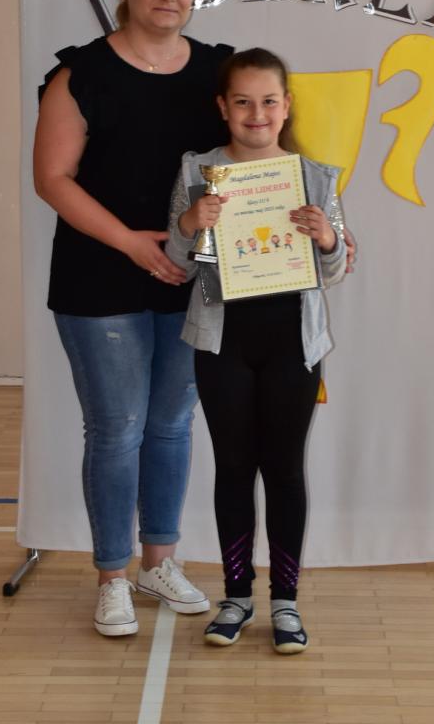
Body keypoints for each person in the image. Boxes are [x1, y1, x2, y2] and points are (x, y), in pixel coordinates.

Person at [33, 0, 233, 637]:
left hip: (191, 276)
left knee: (172, 424)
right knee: (117, 428)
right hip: (99, 277)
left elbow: (257, 155)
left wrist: (318, 222)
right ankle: (112, 577)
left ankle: (159, 563)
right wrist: (130, 243)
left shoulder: (218, 70)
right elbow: (52, 178)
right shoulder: (80, 74)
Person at [166, 48, 347, 654]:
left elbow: (334, 269)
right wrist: (190, 223)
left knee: (286, 470)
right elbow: (177, 262)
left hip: (293, 343)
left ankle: (286, 602)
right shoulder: (199, 171)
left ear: (286, 106)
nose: (256, 113)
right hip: (223, 343)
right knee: (235, 469)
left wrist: (327, 239)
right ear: (223, 107)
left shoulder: (313, 176)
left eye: (268, 101)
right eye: (242, 101)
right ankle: (237, 596)